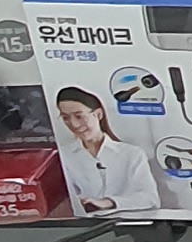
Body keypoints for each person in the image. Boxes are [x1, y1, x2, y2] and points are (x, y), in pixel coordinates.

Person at [52, 86, 157, 216]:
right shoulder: (63, 156)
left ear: (98, 114)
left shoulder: (131, 154)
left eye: (79, 116)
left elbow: (150, 199)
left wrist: (109, 202)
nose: (74, 124)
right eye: (65, 118)